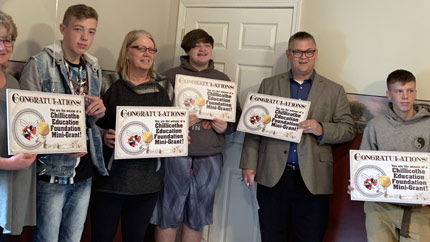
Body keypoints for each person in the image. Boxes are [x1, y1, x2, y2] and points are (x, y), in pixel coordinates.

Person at [240, 31, 355, 242]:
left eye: (308, 51)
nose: (303, 56)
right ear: (288, 54)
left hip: (314, 177)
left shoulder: (334, 90)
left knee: (310, 236)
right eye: (298, 51)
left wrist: (321, 128)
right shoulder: (269, 84)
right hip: (273, 174)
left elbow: (348, 129)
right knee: (272, 234)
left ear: (316, 53)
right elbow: (253, 126)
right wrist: (248, 162)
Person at [19, 4, 108, 242]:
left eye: (91, 31)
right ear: (63, 28)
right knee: (47, 239)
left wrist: (98, 114)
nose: (84, 37)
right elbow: (26, 123)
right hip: (52, 170)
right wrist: (59, 145)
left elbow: (92, 120)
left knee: (73, 238)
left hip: (85, 170)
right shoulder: (39, 64)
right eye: (78, 29)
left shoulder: (94, 67)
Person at [151, 29, 241, 242]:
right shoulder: (170, 76)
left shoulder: (223, 80)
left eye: (207, 45)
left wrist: (225, 126)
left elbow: (236, 117)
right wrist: (178, 122)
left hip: (210, 155)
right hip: (175, 154)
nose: (203, 49)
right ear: (188, 49)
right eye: (197, 45)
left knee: (197, 215)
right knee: (168, 213)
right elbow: (155, 116)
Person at [90, 29, 173, 242]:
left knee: (135, 238)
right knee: (102, 236)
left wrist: (178, 135)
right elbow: (88, 123)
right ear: (127, 52)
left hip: (148, 181)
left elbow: (172, 125)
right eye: (141, 48)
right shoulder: (107, 82)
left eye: (151, 50)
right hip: (110, 179)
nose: (147, 54)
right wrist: (102, 135)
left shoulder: (164, 86)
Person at [358, 69, 430, 241]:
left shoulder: (428, 125)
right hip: (381, 207)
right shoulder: (375, 126)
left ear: (415, 93)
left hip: (420, 207)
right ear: (389, 94)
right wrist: (358, 183)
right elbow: (363, 166)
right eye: (399, 91)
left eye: (409, 91)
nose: (405, 96)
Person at [0, 10, 37, 242]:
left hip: (5, 192)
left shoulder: (13, 83)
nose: (3, 46)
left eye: (7, 40)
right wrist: (6, 163)